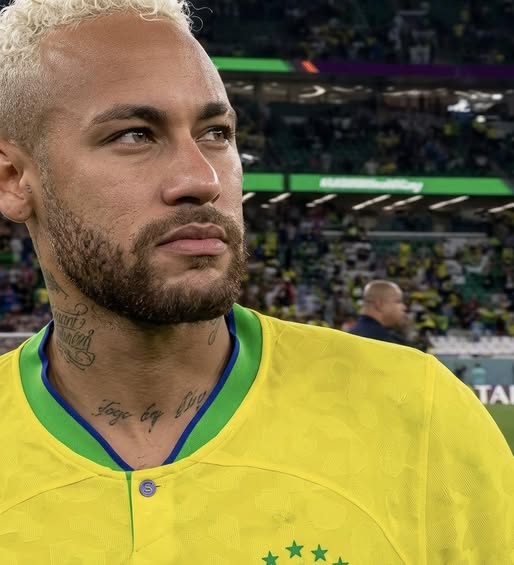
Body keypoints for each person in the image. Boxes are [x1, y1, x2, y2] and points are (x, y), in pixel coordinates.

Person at [0, 2, 512, 563]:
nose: (203, 179)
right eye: (135, 135)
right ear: (14, 179)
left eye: (216, 132)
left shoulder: (420, 414)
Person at [349, 280, 410, 345]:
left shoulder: (354, 334)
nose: (404, 307)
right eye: (398, 301)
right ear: (380, 305)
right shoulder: (381, 340)